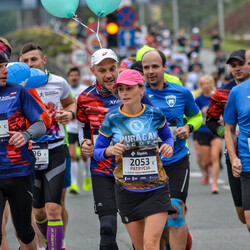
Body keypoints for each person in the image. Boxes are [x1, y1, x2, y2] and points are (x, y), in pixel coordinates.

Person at [77, 48, 153, 250]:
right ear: (93, 71)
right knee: (107, 229)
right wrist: (83, 143)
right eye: (102, 70)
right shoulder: (85, 98)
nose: (109, 75)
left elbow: (154, 121)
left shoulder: (134, 92)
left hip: (134, 169)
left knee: (141, 231)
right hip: (102, 168)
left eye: (112, 68)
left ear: (118, 67)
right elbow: (82, 128)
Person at [93, 69, 176, 249]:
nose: (124, 93)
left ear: (141, 89)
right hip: (127, 190)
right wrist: (110, 150)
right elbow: (97, 152)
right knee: (140, 247)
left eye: (129, 88)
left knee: (150, 243)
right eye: (120, 89)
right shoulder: (112, 118)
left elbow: (168, 138)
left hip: (157, 187)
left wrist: (168, 146)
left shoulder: (155, 114)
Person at [142, 49, 202, 250]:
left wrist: (188, 127)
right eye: (146, 68)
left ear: (165, 68)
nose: (151, 71)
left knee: (175, 210)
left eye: (155, 67)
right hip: (147, 163)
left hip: (176, 159)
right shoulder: (137, 94)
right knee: (154, 216)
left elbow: (197, 116)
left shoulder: (181, 92)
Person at [19, 43, 76, 250]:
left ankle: (56, 245)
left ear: (43, 60)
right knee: (39, 213)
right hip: (30, 152)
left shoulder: (58, 82)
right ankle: (52, 241)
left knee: (54, 207)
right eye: (25, 61)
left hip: (56, 150)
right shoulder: (19, 87)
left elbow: (71, 103)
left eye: (33, 59)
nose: (30, 64)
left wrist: (70, 114)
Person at [0, 38, 47, 249]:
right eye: (0, 67)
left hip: (19, 171)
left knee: (25, 231)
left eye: (5, 66)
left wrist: (26, 135)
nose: (5, 71)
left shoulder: (17, 91)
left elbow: (40, 124)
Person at [206, 49, 249, 224]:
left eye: (240, 64)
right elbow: (210, 121)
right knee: (241, 212)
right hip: (234, 155)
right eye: (233, 66)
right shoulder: (222, 93)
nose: (237, 69)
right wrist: (226, 133)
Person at [223, 47, 250, 233]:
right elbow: (228, 128)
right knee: (247, 221)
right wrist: (233, 158)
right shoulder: (237, 92)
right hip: (247, 165)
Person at [195, 75, 222, 193]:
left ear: (212, 84)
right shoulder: (198, 100)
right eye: (204, 83)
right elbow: (193, 115)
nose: (206, 85)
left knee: (215, 157)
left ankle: (214, 184)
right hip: (203, 131)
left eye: (208, 83)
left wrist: (222, 117)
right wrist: (201, 112)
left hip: (215, 130)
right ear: (201, 86)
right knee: (205, 160)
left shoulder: (217, 97)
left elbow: (224, 111)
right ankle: (206, 172)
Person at [66, 67, 91, 194]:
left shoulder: (84, 90)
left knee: (84, 156)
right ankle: (74, 184)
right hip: (70, 128)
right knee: (72, 155)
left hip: (82, 127)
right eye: (71, 75)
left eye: (76, 75)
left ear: (79, 77)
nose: (74, 77)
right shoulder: (66, 90)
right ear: (69, 77)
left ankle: (87, 175)